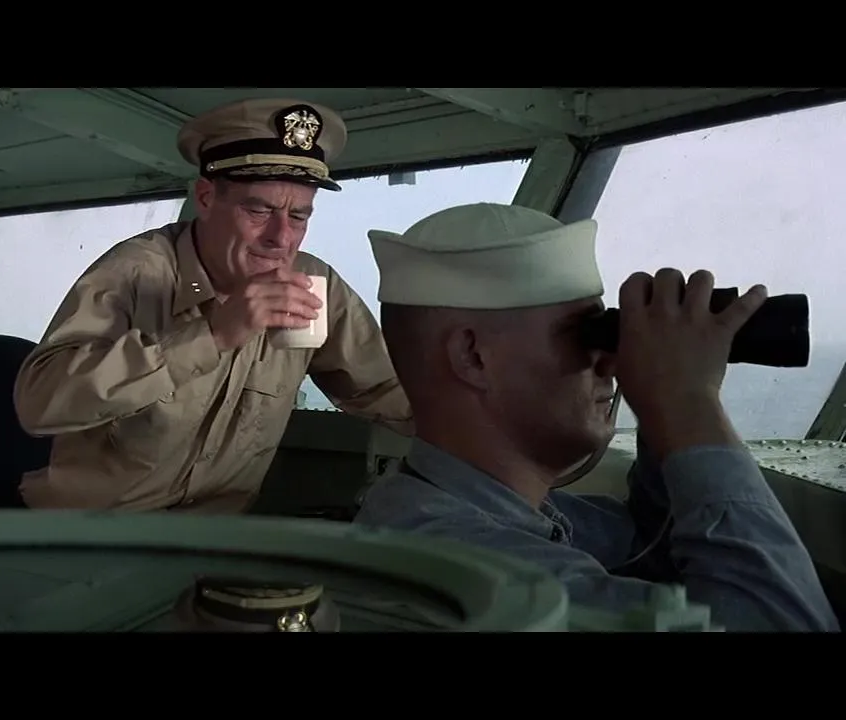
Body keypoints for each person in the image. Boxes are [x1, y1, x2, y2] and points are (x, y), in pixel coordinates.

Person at [353, 202, 839, 632]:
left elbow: (652, 551)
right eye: (581, 334)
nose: (610, 361)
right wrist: (688, 399)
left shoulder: (477, 509)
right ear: (473, 357)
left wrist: (663, 405)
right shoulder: (468, 564)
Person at [13, 98, 412, 513]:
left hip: (213, 539)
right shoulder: (136, 271)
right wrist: (212, 335)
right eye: (259, 210)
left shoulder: (313, 284)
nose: (281, 238)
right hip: (90, 532)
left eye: (298, 217)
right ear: (205, 198)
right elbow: (39, 404)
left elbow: (388, 391)